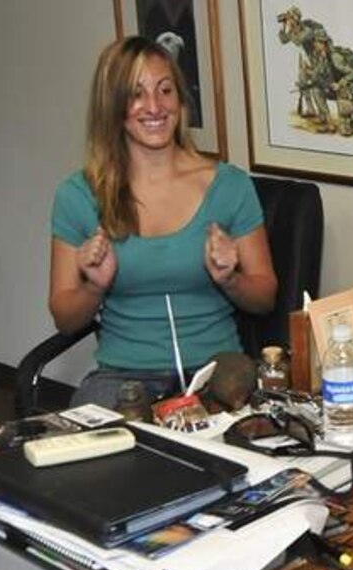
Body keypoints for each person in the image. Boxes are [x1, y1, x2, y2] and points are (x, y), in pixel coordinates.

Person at [49, 36, 277, 409]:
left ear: (180, 100)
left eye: (165, 90)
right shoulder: (78, 195)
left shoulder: (230, 185)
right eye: (137, 94)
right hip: (123, 379)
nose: (154, 107)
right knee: (87, 459)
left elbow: (264, 296)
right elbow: (64, 318)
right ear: (113, 107)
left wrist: (230, 279)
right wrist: (94, 287)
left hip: (217, 374)